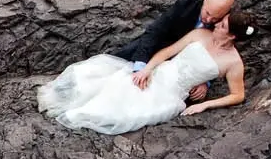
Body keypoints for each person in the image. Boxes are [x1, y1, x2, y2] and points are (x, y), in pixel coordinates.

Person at [37, 12, 254, 134]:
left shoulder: (233, 62)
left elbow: (238, 95)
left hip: (172, 93)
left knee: (127, 111)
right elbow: (168, 51)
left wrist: (204, 104)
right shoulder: (200, 34)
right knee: (114, 85)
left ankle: (82, 113)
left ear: (232, 36)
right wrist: (147, 69)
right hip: (159, 72)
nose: (217, 24)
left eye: (223, 25)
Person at [112, 0, 236, 103]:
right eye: (207, 13)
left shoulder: (225, 24)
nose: (208, 20)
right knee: (120, 64)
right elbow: (155, 31)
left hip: (186, 67)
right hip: (161, 46)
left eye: (215, 18)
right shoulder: (184, 5)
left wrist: (206, 81)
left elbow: (220, 51)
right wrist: (141, 66)